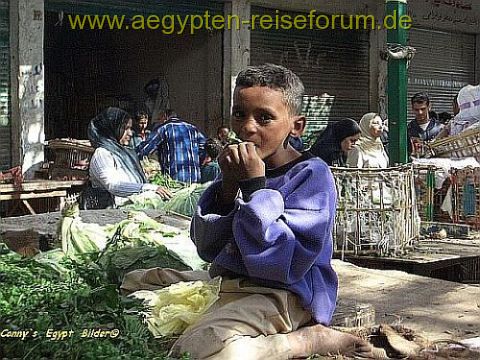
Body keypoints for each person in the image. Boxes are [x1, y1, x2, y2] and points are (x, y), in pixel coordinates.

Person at [121, 64, 376, 359]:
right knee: (135, 283)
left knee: (196, 349)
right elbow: (207, 248)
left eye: (264, 117)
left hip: (284, 291)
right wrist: (228, 188)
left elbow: (283, 264)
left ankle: (305, 340)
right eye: (240, 114)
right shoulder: (237, 168)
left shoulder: (311, 175)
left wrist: (255, 188)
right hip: (230, 279)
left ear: (296, 126)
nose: (248, 127)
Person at [85, 107, 171, 209]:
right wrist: (149, 188)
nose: (130, 133)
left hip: (132, 209)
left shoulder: (124, 152)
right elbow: (113, 185)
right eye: (125, 128)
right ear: (112, 128)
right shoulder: (103, 154)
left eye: (130, 128)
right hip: (111, 214)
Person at [137, 110, 207, 184]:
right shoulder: (193, 129)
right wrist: (198, 161)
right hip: (195, 177)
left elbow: (144, 148)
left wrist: (131, 154)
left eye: (159, 119)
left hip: (175, 180)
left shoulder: (163, 128)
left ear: (165, 117)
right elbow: (204, 147)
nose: (158, 122)